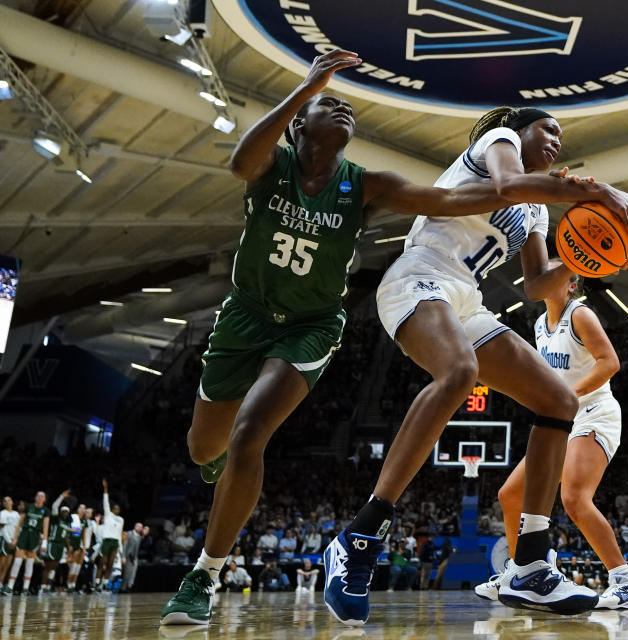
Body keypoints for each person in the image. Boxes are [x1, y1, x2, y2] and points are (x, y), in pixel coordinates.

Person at [160, 49, 542, 627]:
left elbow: (451, 200)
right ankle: (217, 470)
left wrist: (559, 193)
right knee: (201, 447)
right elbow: (241, 160)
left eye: (345, 106)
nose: (342, 108)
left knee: (248, 434)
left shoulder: (364, 184)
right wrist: (307, 84)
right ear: (298, 125)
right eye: (327, 105)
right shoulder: (272, 168)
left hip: (313, 325)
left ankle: (203, 576)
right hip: (246, 316)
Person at [325, 103, 628, 625]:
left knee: (558, 400)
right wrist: (596, 191)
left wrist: (592, 255)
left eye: (561, 134)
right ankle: (361, 534)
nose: (557, 140)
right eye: (548, 129)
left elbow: (539, 283)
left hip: (465, 299)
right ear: (520, 130)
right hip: (419, 277)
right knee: (459, 373)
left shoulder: (538, 210)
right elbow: (509, 186)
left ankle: (531, 563)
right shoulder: (500, 141)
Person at [480, 263, 628, 609]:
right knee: (510, 495)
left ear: (571, 286)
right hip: (562, 418)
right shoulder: (541, 325)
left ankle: (626, 581)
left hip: (594, 413)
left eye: (556, 275)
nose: (546, 280)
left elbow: (609, 362)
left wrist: (567, 395)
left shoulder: (580, 314)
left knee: (574, 498)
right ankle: (520, 573)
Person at [6, 491, 48, 595]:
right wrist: (15, 538)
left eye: (42, 496)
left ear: (45, 499)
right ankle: (10, 586)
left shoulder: (45, 510)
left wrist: (44, 542)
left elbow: (45, 527)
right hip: (24, 534)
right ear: (35, 497)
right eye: (38, 495)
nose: (40, 497)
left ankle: (26, 588)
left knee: (30, 562)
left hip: (35, 535)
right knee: (17, 561)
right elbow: (19, 523)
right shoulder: (28, 507)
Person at [40, 500, 72, 594]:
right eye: (64, 511)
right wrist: (62, 497)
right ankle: (42, 586)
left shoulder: (67, 524)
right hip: (53, 543)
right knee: (48, 566)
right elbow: (54, 506)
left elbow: (65, 536)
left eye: (67, 512)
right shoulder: (56, 519)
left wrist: (68, 546)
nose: (65, 513)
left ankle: (48, 586)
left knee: (55, 566)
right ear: (60, 512)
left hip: (60, 545)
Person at [98, 479, 124, 592]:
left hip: (115, 542)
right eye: (116, 508)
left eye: (119, 509)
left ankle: (105, 584)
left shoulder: (121, 519)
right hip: (107, 540)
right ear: (112, 509)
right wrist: (105, 489)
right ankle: (97, 583)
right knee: (102, 563)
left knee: (110, 564)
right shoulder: (108, 514)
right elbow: (106, 501)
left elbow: (119, 533)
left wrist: (120, 548)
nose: (117, 510)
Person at [0, 496, 19, 594]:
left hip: (13, 541)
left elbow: (18, 528)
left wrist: (15, 540)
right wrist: (9, 541)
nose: (7, 502)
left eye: (9, 500)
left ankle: (3, 584)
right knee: (2, 563)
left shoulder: (16, 514)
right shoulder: (2, 513)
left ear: (12, 502)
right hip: (4, 540)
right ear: (3, 503)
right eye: (5, 501)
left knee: (8, 564)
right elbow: (2, 528)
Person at [121, 523, 145, 593]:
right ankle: (123, 588)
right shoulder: (129, 534)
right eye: (138, 526)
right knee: (126, 573)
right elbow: (125, 545)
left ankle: (129, 586)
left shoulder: (139, 537)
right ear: (134, 526)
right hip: (128, 556)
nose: (139, 528)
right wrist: (123, 556)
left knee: (133, 573)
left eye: (141, 527)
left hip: (134, 557)